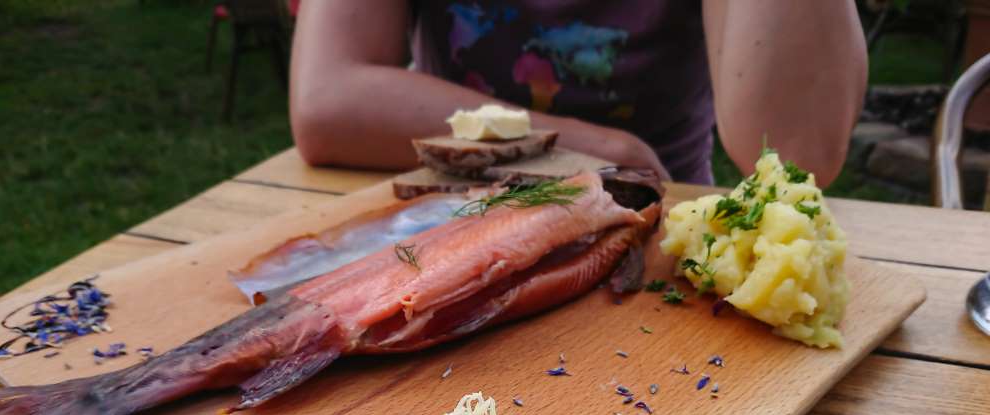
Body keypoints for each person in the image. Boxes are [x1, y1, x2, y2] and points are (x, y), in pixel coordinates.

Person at [289, 1, 867, 187]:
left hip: (659, 231)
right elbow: (328, 101)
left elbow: (796, 150)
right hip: (451, 212)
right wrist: (588, 149)